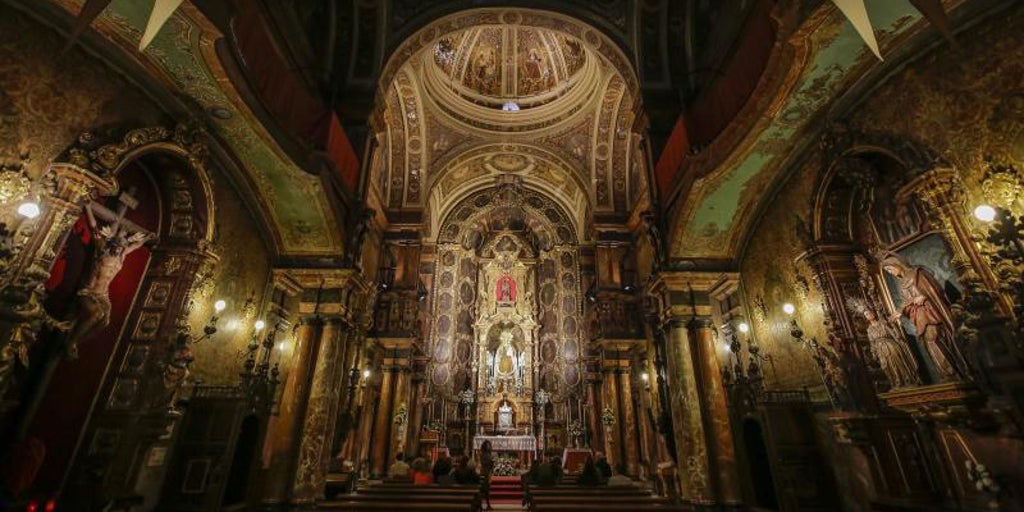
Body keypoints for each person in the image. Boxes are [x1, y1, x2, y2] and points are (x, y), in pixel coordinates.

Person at [881, 255, 969, 381]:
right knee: (929, 342)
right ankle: (947, 374)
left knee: (932, 338)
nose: (891, 273)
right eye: (888, 272)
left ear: (897, 264)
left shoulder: (918, 273)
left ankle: (952, 374)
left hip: (931, 313)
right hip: (920, 317)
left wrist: (924, 296)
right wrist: (902, 311)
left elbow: (934, 290)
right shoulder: (901, 284)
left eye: (890, 269)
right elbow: (909, 302)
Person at [479, 441, 494, 511]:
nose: (488, 447)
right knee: (485, 490)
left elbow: (490, 463)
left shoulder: (487, 454)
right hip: (484, 472)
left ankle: (486, 505)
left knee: (486, 490)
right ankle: (485, 505)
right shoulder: (483, 454)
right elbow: (484, 462)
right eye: (487, 445)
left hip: (487, 472)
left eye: (489, 445)